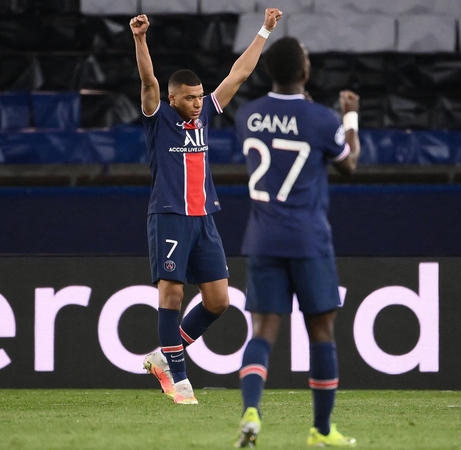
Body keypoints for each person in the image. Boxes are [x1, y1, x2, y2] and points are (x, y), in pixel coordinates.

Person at [130, 8, 283, 405]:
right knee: (172, 295)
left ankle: (164, 356)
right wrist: (140, 39)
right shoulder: (158, 118)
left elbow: (239, 74)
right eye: (190, 98)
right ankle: (179, 381)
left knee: (218, 301)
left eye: (200, 96)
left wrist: (264, 30)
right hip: (170, 216)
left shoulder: (205, 117)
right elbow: (148, 80)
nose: (198, 103)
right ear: (173, 98)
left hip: (204, 218)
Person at [232, 36, 360, 448]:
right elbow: (349, 166)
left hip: (262, 239)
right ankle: (321, 430)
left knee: (262, 332)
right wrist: (350, 118)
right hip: (308, 240)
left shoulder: (247, 115)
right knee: (321, 332)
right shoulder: (322, 119)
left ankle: (252, 410)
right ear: (305, 71)